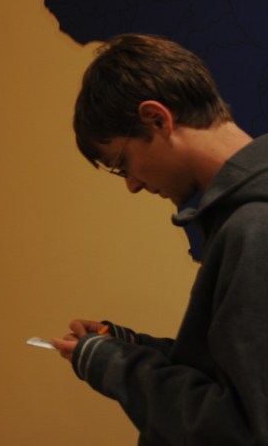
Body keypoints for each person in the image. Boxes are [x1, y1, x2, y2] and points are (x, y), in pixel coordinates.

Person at [52, 33, 268, 445]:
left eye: (122, 163)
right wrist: (131, 346)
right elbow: (234, 373)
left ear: (157, 118)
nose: (132, 184)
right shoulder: (246, 214)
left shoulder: (256, 226)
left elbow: (239, 430)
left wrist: (114, 365)